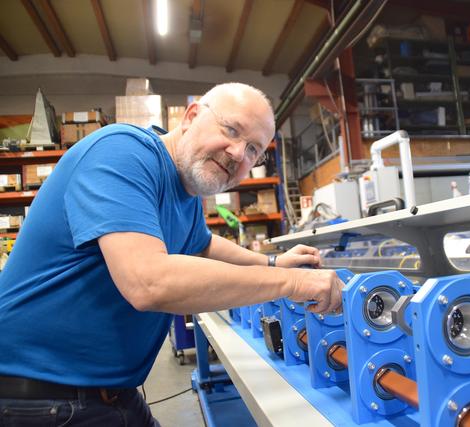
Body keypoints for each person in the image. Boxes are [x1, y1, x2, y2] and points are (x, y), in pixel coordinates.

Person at [0, 82, 344, 426]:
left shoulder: (187, 194)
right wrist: (291, 281)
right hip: (40, 400)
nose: (239, 154)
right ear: (191, 117)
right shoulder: (122, 152)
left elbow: (204, 244)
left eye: (254, 149)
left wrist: (272, 261)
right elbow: (148, 282)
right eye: (231, 130)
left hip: (107, 393)